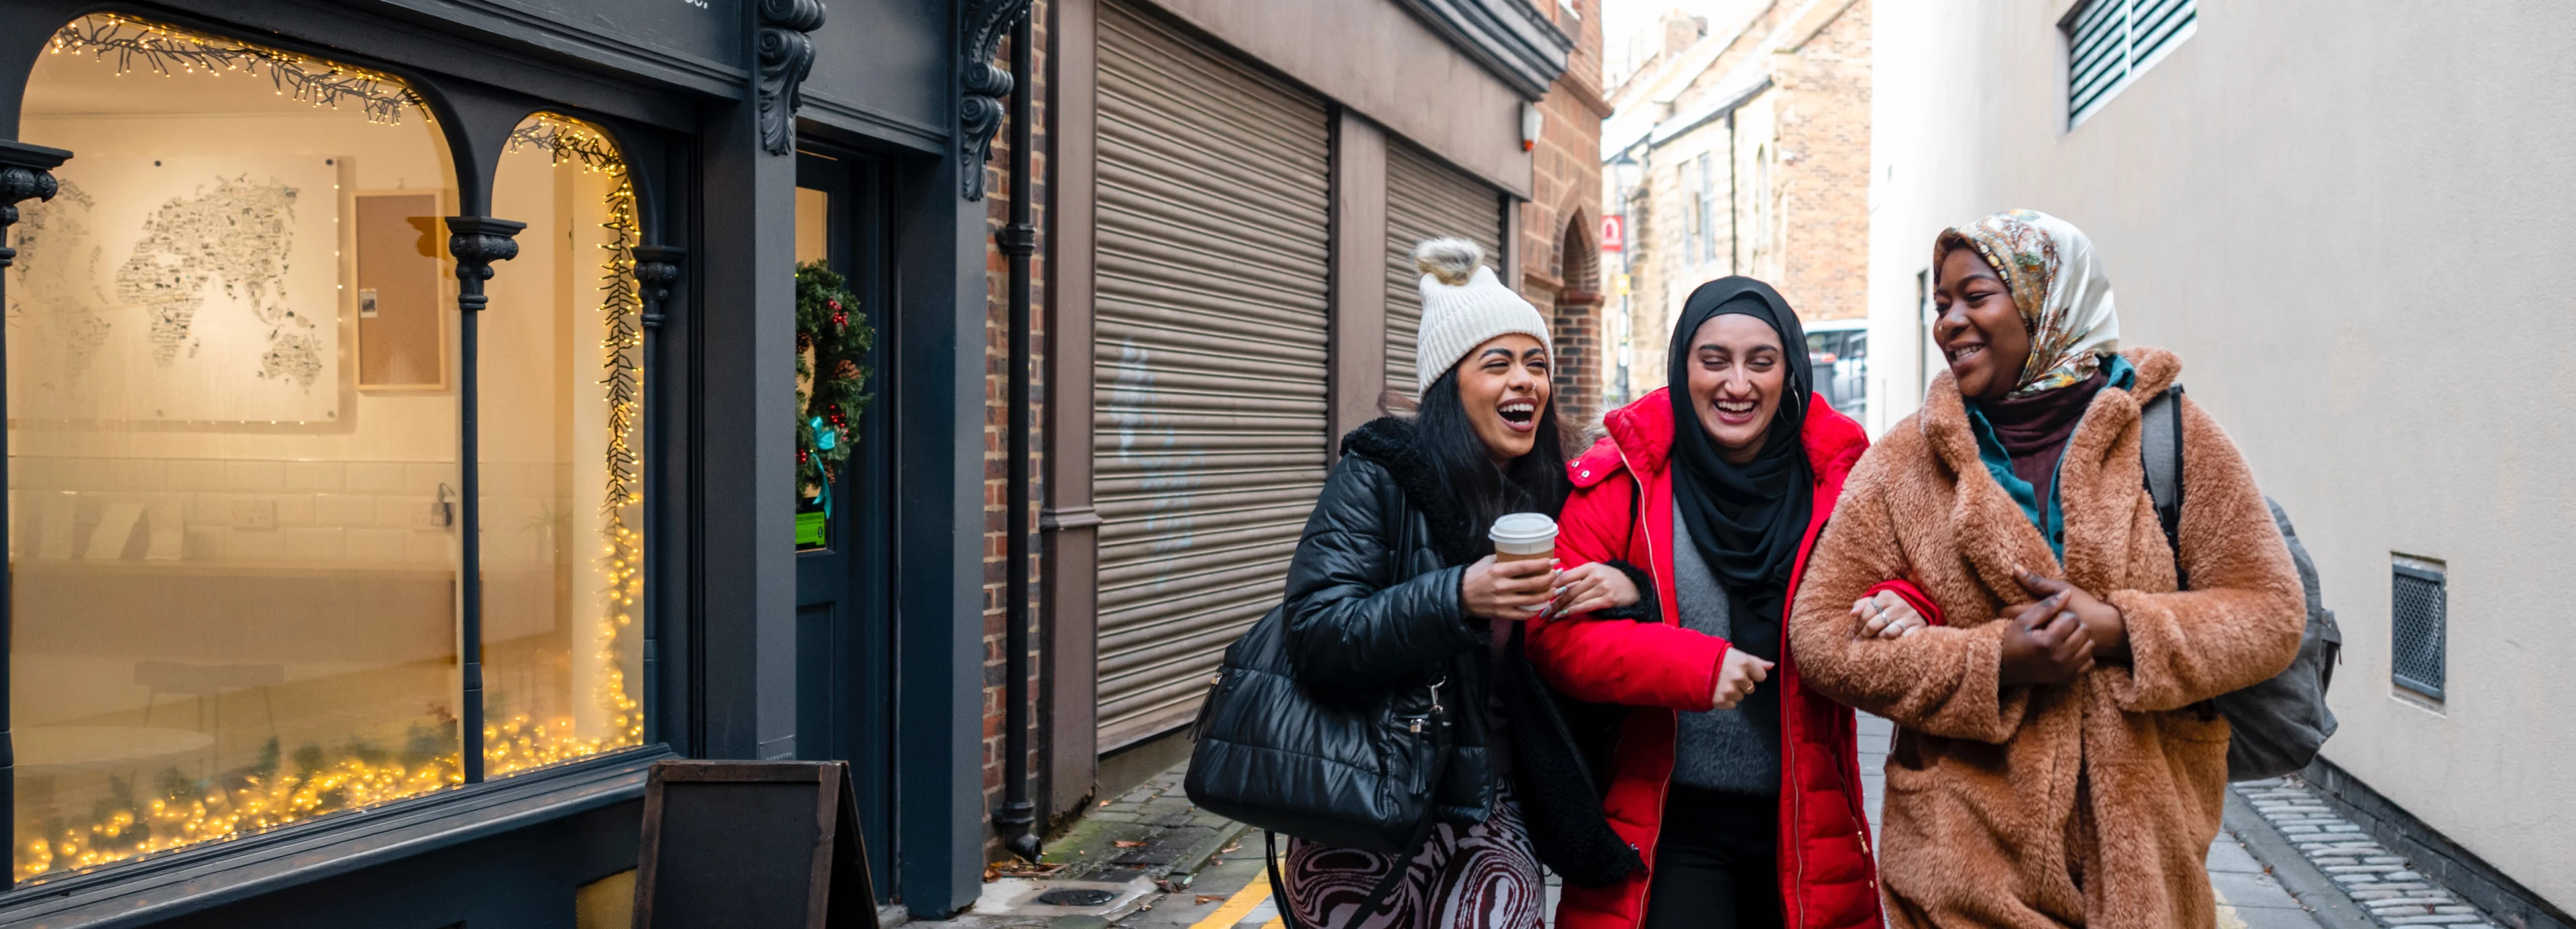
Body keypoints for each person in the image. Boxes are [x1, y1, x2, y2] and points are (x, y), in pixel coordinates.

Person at [1786, 209, 2305, 928]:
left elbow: (2272, 610)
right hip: (1958, 873)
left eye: (1976, 295)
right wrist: (1994, 660)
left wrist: (2122, 627)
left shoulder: (2169, 435)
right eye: (1941, 304)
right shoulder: (1907, 461)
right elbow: (1818, 635)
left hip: (2147, 869)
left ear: (2048, 299)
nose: (1950, 322)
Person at [1276, 238, 1640, 929]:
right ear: (1450, 383)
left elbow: (1596, 653)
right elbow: (1317, 632)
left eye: (1537, 364)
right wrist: (1457, 596)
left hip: (1492, 801)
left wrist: (1625, 587)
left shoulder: (1558, 492)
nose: (1525, 381)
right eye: (1496, 362)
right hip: (1364, 796)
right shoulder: (1379, 476)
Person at [1527, 277, 1884, 929]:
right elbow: (1552, 635)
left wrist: (1904, 600)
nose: (1737, 384)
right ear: (1683, 363)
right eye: (1714, 359)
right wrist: (1690, 663)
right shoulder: (1627, 477)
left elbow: (1906, 574)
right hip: (1671, 820)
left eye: (1761, 361)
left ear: (1792, 369)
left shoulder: (1842, 480)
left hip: (1805, 819)